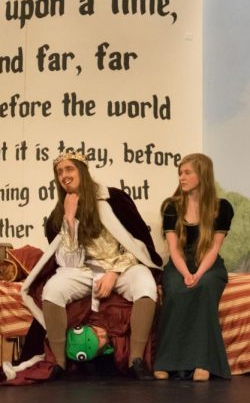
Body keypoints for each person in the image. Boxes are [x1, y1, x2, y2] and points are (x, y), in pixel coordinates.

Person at [19, 149, 162, 380]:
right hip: (84, 270)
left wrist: (114, 272)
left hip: (122, 266)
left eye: (69, 169)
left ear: (82, 171)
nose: (63, 175)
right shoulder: (59, 214)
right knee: (53, 290)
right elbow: (69, 261)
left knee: (145, 284)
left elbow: (137, 244)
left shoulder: (114, 199)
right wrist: (69, 219)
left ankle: (136, 359)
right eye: (59, 171)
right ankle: (60, 363)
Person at [153, 153, 233, 381]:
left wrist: (198, 274)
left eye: (187, 172)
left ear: (202, 175)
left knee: (205, 288)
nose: (182, 177)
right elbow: (174, 249)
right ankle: (166, 362)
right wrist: (186, 273)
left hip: (207, 263)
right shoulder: (172, 206)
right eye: (180, 172)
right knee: (177, 291)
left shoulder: (221, 207)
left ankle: (203, 362)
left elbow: (214, 248)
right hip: (180, 263)